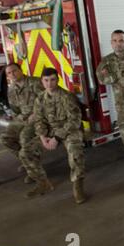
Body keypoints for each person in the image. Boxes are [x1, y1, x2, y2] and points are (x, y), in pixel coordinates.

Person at [21, 68, 86, 204]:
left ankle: (77, 185)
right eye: (46, 80)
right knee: (25, 152)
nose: (49, 83)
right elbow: (39, 120)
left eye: (52, 80)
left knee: (75, 151)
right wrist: (43, 137)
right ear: (42, 81)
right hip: (50, 132)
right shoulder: (40, 99)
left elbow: (74, 120)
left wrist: (56, 138)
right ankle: (42, 182)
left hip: (69, 130)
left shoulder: (67, 97)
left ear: (57, 80)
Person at [0, 63, 43, 183]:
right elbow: (15, 109)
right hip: (22, 119)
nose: (12, 75)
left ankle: (33, 173)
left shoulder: (35, 83)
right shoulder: (11, 88)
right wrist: (14, 116)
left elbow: (48, 100)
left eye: (14, 71)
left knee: (24, 138)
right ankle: (27, 161)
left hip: (39, 118)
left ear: (21, 70)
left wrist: (36, 114)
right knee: (4, 138)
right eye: (9, 73)